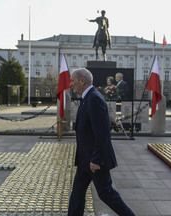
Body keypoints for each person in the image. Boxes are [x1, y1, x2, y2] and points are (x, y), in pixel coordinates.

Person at [68, 68, 135, 216]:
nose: (71, 84)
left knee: (106, 193)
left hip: (94, 160)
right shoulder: (87, 97)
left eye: (73, 81)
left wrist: (96, 159)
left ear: (82, 81)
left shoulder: (94, 98)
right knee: (77, 194)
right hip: (86, 159)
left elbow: (103, 134)